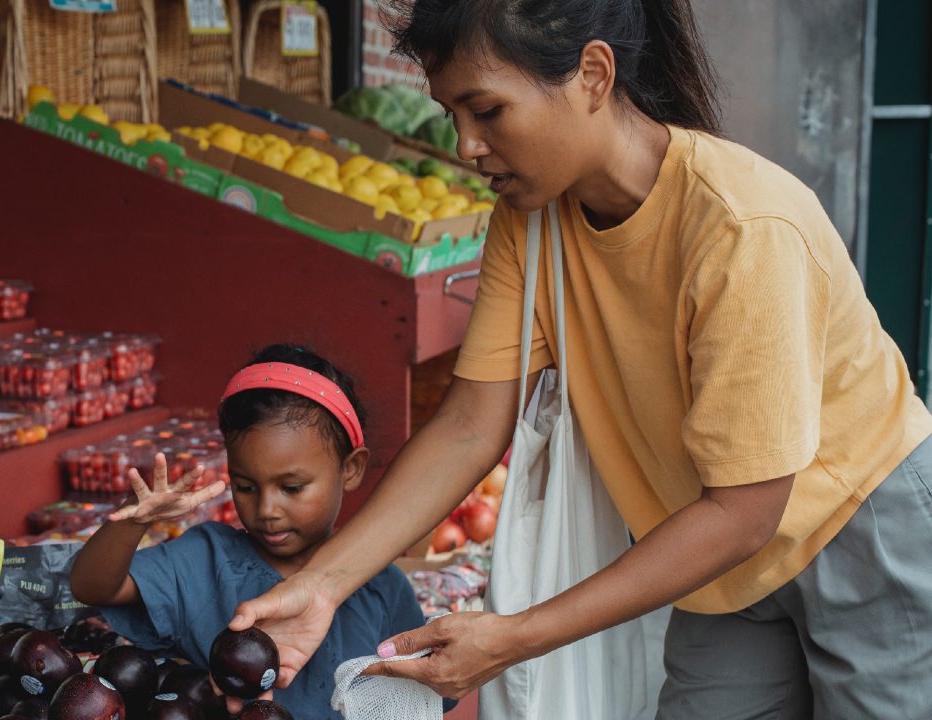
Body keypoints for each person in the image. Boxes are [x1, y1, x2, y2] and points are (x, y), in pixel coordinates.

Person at [226, 1, 932, 718]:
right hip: (720, 558)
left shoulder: (743, 228)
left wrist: (514, 638)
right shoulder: (530, 222)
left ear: (594, 75)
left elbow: (746, 509)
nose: (467, 146)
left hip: (857, 530)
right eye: (452, 118)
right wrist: (322, 584)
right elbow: (471, 424)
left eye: (488, 111)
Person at [69, 344, 428, 719]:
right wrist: (133, 520)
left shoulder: (381, 586)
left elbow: (423, 694)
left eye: (291, 488)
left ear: (351, 469)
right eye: (245, 486)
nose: (267, 511)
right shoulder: (203, 560)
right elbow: (93, 586)